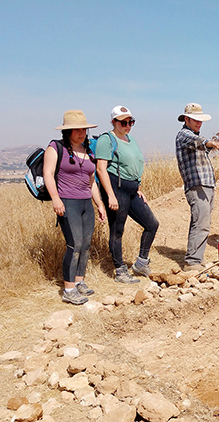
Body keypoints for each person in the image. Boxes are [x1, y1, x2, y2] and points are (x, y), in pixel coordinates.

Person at [43, 110, 106, 305]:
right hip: (67, 202)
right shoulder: (56, 148)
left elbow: (92, 182)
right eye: (77, 130)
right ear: (68, 131)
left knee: (85, 245)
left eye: (84, 129)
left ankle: (79, 282)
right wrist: (55, 198)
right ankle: (68, 289)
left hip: (86, 202)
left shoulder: (88, 150)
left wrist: (100, 205)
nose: (81, 133)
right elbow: (48, 173)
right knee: (74, 244)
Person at [96, 105, 160, 284]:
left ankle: (141, 262)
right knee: (117, 230)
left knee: (152, 224)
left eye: (131, 122)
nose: (128, 125)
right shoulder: (106, 139)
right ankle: (120, 270)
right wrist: (110, 195)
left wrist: (138, 188)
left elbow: (133, 165)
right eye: (123, 122)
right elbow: (101, 169)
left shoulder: (130, 139)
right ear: (114, 122)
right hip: (116, 189)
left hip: (132, 190)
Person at [175, 103, 219, 271]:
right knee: (200, 222)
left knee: (203, 222)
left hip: (206, 184)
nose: (199, 123)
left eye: (200, 120)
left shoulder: (193, 135)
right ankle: (192, 261)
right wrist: (212, 143)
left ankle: (196, 258)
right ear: (187, 119)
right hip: (197, 185)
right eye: (195, 120)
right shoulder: (184, 135)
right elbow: (198, 142)